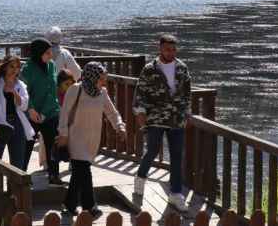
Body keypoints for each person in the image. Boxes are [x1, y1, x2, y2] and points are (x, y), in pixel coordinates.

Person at [57, 62, 126, 219]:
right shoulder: (76, 89)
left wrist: (120, 127)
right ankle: (90, 207)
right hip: (75, 138)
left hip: (92, 139)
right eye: (101, 78)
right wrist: (63, 134)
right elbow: (65, 113)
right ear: (92, 76)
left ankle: (69, 204)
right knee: (84, 171)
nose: (104, 82)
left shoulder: (102, 93)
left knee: (78, 174)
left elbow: (112, 113)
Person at [132, 34, 192, 212]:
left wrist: (187, 113)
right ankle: (141, 178)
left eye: (173, 49)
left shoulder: (182, 68)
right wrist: (140, 113)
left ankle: (175, 193)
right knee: (151, 150)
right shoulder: (150, 69)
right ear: (160, 49)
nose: (171, 52)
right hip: (156, 117)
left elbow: (187, 92)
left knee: (176, 155)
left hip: (176, 118)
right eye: (167, 49)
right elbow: (140, 92)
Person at [20, 38, 63, 185]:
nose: (50, 55)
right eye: (47, 53)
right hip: (31, 114)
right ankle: (22, 177)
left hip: (50, 113)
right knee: (26, 146)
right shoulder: (27, 69)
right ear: (39, 53)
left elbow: (53, 91)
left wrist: (44, 112)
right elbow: (24, 91)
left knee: (53, 145)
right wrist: (31, 109)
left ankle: (54, 176)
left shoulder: (52, 66)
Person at [0, 55, 33, 170]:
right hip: (0, 125)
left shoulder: (21, 85)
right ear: (5, 67)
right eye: (12, 66)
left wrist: (14, 92)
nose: (15, 70)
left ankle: (14, 187)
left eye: (17, 67)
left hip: (18, 124)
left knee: (17, 163)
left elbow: (24, 106)